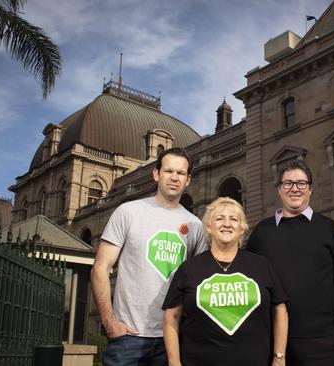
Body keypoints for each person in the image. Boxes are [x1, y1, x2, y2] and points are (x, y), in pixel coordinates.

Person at [91, 147, 208, 366]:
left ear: (188, 179)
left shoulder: (195, 225)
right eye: (168, 171)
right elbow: (100, 267)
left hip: (172, 339)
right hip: (128, 338)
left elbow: (200, 283)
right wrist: (109, 322)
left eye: (181, 173)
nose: (174, 178)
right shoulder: (128, 212)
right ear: (156, 174)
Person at [247, 159, 334, 366]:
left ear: (310, 190)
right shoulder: (262, 233)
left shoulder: (329, 228)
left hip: (326, 344)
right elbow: (247, 282)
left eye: (301, 183)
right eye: (287, 183)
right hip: (273, 344)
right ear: (279, 190)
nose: (294, 189)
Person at [163, 197, 289, 366]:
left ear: (242, 229)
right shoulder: (189, 268)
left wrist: (279, 358)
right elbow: (172, 317)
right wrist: (174, 363)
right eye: (219, 218)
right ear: (208, 227)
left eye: (234, 219)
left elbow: (280, 310)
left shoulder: (261, 265)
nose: (227, 224)